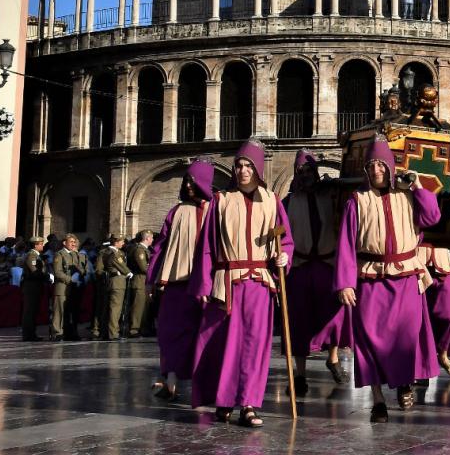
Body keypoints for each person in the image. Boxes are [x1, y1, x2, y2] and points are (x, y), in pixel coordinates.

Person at [334, 135, 441, 423]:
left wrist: (418, 186)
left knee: (405, 337)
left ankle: (405, 383)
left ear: (391, 167)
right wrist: (345, 282)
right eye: (371, 165)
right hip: (370, 278)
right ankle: (378, 399)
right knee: (369, 340)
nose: (376, 170)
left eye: (381, 164)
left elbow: (432, 217)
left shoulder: (407, 195)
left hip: (406, 277)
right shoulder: (357, 201)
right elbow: (345, 243)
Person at [192, 139, 293, 428]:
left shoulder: (272, 201)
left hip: (260, 283)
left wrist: (283, 256)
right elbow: (207, 247)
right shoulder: (221, 201)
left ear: (258, 169)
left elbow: (285, 240)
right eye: (239, 166)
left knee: (255, 345)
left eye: (249, 166)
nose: (243, 170)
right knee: (226, 344)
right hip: (227, 283)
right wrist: (203, 284)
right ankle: (224, 401)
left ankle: (249, 404)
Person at [282, 149, 350, 393]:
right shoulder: (287, 203)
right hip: (298, 268)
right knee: (298, 322)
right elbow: (277, 235)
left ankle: (332, 358)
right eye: (301, 171)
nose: (306, 174)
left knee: (334, 316)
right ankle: (299, 375)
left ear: (316, 172)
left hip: (326, 265)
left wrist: (337, 184)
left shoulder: (331, 197)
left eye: (310, 170)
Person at [147, 159, 214, 401]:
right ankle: (171, 382)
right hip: (177, 284)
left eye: (193, 181)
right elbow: (161, 247)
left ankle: (205, 384)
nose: (188, 186)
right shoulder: (176, 212)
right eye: (186, 180)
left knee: (205, 335)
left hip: (209, 285)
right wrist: (152, 278)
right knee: (172, 333)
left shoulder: (216, 209)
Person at [420, 238, 450, 378]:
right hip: (416, 258)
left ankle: (442, 354)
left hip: (443, 261)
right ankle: (421, 365)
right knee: (419, 317)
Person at [50, 234, 85, 342]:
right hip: (62, 287)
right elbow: (58, 272)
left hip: (73, 288)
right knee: (59, 311)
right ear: (64, 243)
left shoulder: (74, 254)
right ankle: (57, 332)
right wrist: (70, 279)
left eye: (74, 242)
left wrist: (80, 272)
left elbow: (81, 268)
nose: (73, 244)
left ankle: (70, 332)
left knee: (70, 311)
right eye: (71, 242)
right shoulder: (59, 254)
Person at [102, 234, 132, 340]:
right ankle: (113, 333)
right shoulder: (114, 254)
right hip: (117, 283)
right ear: (116, 242)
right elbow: (121, 266)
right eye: (121, 241)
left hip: (117, 283)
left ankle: (111, 331)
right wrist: (128, 272)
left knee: (115, 309)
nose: (123, 243)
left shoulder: (115, 252)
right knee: (115, 309)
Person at [20, 237, 48, 341]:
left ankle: (32, 334)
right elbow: (34, 271)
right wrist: (47, 276)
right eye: (40, 244)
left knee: (33, 311)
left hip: (36, 285)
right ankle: (28, 335)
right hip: (31, 286)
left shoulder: (37, 256)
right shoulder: (32, 255)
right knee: (29, 311)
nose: (42, 245)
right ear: (35, 245)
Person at [127, 230, 153, 338]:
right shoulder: (139, 250)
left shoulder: (145, 249)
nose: (152, 240)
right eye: (151, 238)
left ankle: (143, 328)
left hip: (145, 281)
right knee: (138, 307)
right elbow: (143, 267)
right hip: (139, 281)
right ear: (147, 238)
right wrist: (154, 270)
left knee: (145, 307)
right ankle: (134, 330)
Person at [89, 238, 108, 340]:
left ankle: (104, 329)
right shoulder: (102, 254)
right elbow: (99, 270)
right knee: (100, 307)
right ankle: (96, 329)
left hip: (109, 284)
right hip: (102, 284)